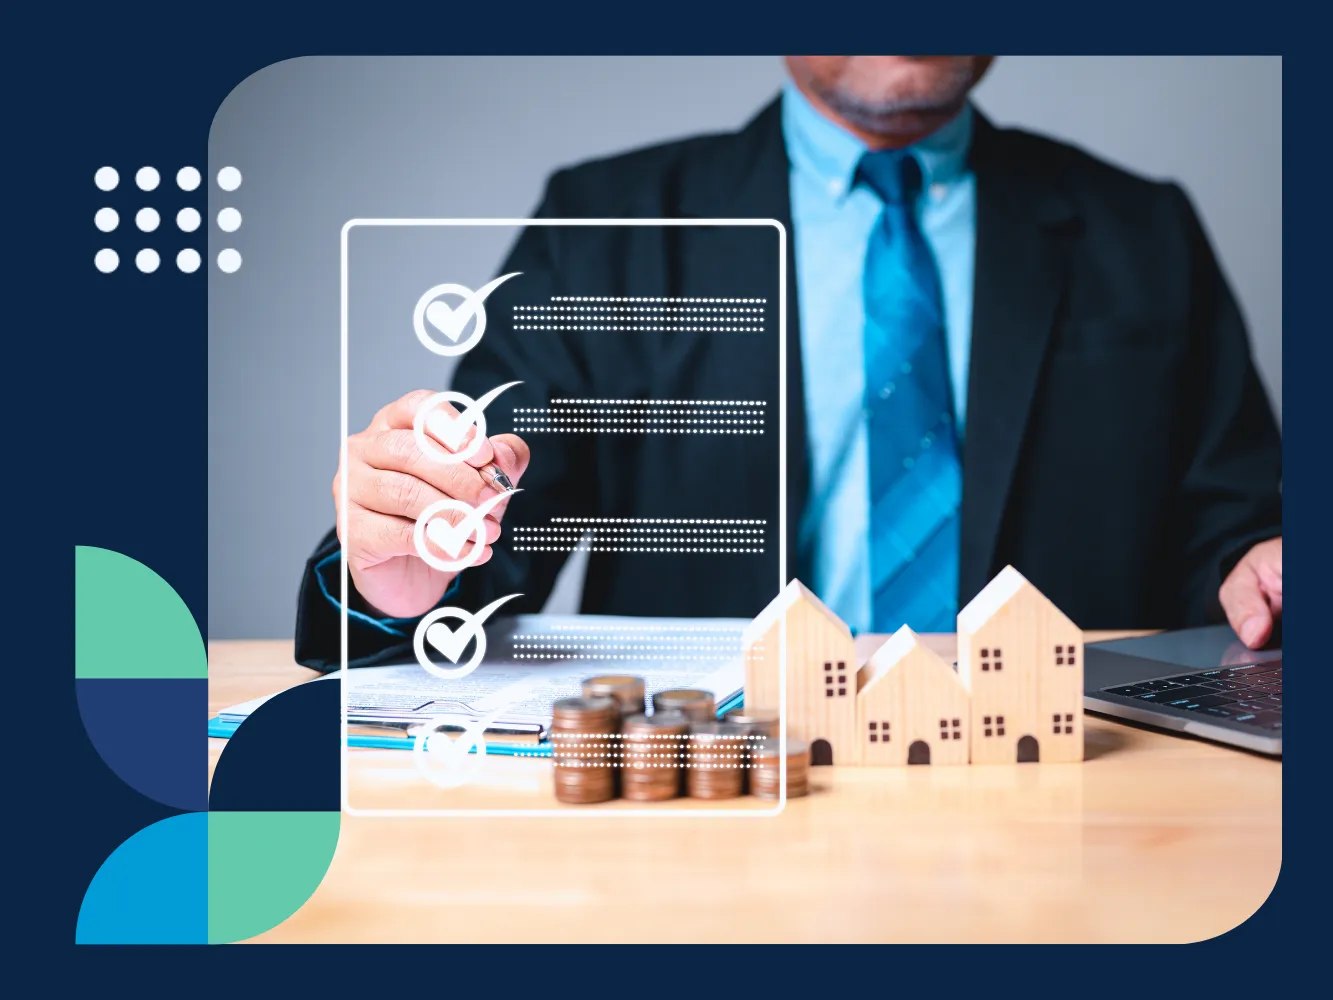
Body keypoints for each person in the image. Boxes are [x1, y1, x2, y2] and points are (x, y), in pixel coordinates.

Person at [295, 56, 1282, 671]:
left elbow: (1234, 528)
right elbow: (474, 528)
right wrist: (401, 567)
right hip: (713, 795)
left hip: (1074, 788)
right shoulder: (606, 231)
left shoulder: (1141, 226)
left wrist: (1259, 569)